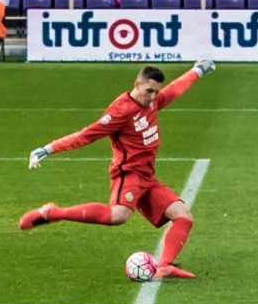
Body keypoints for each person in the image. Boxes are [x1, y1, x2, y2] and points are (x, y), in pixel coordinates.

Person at [19, 59, 216, 280]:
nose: (152, 97)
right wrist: (48, 148)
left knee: (183, 216)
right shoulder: (121, 111)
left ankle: (164, 266)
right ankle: (54, 212)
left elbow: (174, 89)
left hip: (147, 176)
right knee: (118, 215)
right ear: (137, 84)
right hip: (128, 174)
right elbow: (87, 134)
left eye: (155, 92)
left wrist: (198, 70)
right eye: (149, 91)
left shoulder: (152, 102)